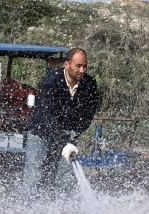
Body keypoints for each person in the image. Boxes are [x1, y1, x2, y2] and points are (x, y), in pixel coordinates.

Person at [21, 47, 99, 200]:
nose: (82, 70)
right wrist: (63, 140)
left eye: (85, 66)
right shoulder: (51, 81)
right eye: (78, 66)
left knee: (64, 177)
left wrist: (74, 133)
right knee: (34, 176)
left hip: (67, 135)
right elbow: (48, 115)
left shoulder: (90, 84)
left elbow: (88, 115)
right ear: (67, 64)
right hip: (41, 133)